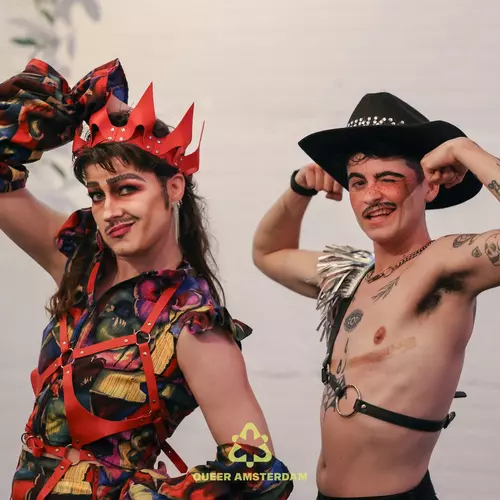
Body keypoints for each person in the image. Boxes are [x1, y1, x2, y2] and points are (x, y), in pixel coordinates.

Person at [2, 59, 293, 499]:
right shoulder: (80, 262)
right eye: (96, 194)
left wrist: (140, 493)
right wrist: (71, 108)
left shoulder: (193, 323)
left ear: (173, 188)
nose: (109, 211)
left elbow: (259, 473)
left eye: (126, 189)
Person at [252, 91, 500, 499]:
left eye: (388, 179)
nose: (371, 196)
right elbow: (269, 253)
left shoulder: (444, 265)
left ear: (429, 187)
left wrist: (464, 149)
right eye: (358, 183)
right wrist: (299, 188)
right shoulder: (352, 275)